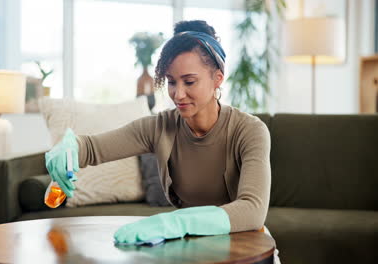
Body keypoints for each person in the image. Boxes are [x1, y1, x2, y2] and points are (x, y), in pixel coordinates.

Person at [46, 20, 280, 263]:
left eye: (189, 82)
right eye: (171, 81)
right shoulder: (159, 127)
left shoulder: (249, 131)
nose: (178, 94)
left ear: (217, 79)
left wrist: (175, 221)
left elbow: (253, 209)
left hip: (245, 252)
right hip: (191, 250)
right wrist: (68, 147)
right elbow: (91, 148)